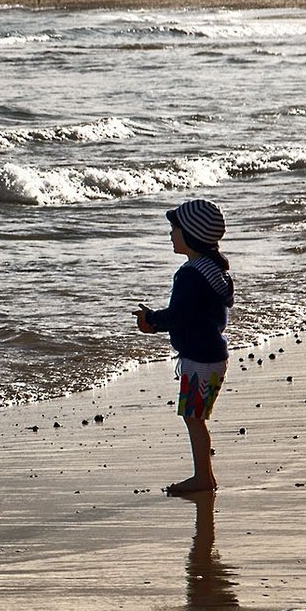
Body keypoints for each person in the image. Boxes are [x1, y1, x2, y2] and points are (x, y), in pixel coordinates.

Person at [134, 199, 234, 495]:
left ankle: (203, 478)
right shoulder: (213, 270)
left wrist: (151, 320)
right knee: (195, 418)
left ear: (191, 234)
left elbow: (180, 315)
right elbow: (195, 314)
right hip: (213, 355)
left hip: (200, 358)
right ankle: (204, 476)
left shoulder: (191, 275)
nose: (171, 234)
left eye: (175, 228)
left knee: (194, 419)